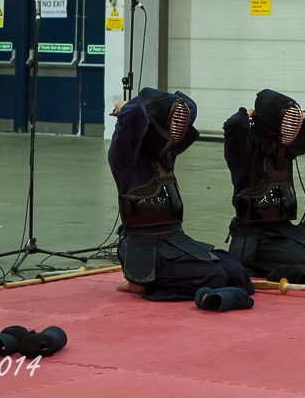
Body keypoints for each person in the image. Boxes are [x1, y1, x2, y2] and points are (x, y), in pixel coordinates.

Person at [109, 88, 254, 305]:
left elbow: (189, 107)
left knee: (237, 273)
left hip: (174, 240)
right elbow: (135, 113)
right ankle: (140, 282)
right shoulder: (126, 157)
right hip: (144, 247)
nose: (175, 131)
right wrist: (125, 108)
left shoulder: (166, 154)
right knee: (215, 277)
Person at [223, 90, 305, 283]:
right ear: (271, 121)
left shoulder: (286, 148)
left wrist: (291, 111)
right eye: (285, 121)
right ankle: (262, 264)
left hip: (286, 229)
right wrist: (248, 114)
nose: (291, 128)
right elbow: (233, 126)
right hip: (257, 235)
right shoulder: (246, 152)